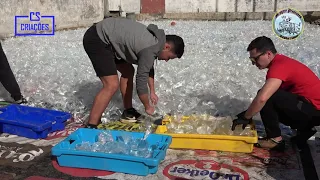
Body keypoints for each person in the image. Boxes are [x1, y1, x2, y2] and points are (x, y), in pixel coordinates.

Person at [83, 17, 185, 128]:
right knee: (111, 85)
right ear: (166, 47)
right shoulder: (150, 48)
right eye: (169, 57)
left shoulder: (156, 41)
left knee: (128, 71)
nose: (166, 60)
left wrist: (152, 91)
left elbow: (148, 66)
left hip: (110, 40)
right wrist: (147, 107)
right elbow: (140, 82)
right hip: (97, 38)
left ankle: (128, 112)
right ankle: (92, 125)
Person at [231, 36, 320, 151]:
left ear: (268, 54)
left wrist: (245, 117)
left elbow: (263, 98)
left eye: (255, 59)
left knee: (268, 96)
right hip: (312, 109)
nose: (253, 63)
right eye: (251, 60)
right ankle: (305, 129)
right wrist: (249, 112)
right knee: (273, 97)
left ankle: (275, 140)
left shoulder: (279, 66)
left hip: (314, 111)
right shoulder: (282, 62)